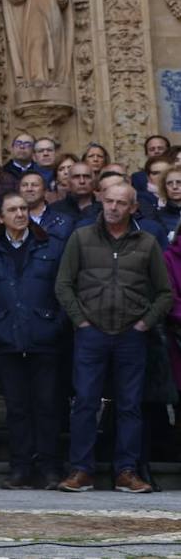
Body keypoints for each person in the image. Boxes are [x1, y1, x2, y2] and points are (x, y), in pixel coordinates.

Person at [56, 182, 172, 494]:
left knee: (130, 406)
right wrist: (80, 321)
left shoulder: (147, 243)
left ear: (134, 207)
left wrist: (144, 324)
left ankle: (126, 471)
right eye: (109, 201)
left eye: (121, 203)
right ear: (101, 202)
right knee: (84, 403)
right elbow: (63, 284)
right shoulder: (81, 238)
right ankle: (81, 470)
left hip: (131, 335)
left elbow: (165, 293)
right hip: (91, 334)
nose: (114, 207)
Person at [0, 193, 66, 490]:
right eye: (13, 210)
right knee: (17, 407)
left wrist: (56, 325)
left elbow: (64, 289)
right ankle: (20, 466)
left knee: (47, 405)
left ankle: (48, 466)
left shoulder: (50, 244)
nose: (20, 214)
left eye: (24, 209)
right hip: (6, 339)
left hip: (44, 337)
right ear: (0, 216)